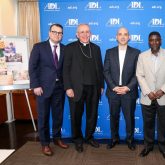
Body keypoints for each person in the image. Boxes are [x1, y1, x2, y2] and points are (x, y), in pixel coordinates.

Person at [136, 31, 165, 160]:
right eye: (152, 40)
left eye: (157, 40)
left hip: (163, 97)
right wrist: (148, 92)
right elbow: (139, 75)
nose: (154, 42)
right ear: (148, 41)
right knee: (148, 124)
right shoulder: (142, 56)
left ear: (161, 41)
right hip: (147, 97)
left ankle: (163, 148)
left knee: (163, 124)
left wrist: (162, 90)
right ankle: (148, 146)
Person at [63, 24, 104, 153]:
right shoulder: (69, 48)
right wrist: (68, 87)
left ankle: (89, 137)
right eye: (82, 32)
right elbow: (65, 70)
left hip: (94, 88)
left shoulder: (96, 48)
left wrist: (101, 85)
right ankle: (78, 140)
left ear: (90, 33)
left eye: (87, 32)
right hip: (76, 89)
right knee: (76, 116)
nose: (85, 34)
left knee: (92, 115)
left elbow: (100, 69)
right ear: (77, 34)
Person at [29, 23, 68, 156]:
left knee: (58, 116)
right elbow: (32, 67)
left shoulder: (64, 48)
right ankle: (45, 144)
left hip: (59, 88)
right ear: (49, 33)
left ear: (62, 35)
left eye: (60, 33)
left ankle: (57, 139)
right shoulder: (39, 47)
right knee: (43, 117)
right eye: (55, 32)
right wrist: (35, 85)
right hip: (42, 89)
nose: (57, 35)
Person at [103, 27, 140, 150]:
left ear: (129, 37)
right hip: (113, 92)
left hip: (129, 92)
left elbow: (138, 73)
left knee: (129, 118)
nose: (123, 36)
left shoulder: (136, 53)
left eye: (125, 34)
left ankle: (130, 140)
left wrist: (127, 88)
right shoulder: (109, 52)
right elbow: (106, 71)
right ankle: (114, 138)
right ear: (116, 37)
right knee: (114, 117)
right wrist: (114, 87)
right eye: (120, 34)